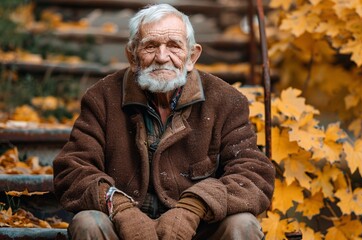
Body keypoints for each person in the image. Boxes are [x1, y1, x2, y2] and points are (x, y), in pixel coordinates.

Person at [53, 3, 275, 240]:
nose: (162, 57)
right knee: (88, 223)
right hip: (122, 227)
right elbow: (72, 169)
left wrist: (194, 207)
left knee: (242, 225)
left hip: (198, 228)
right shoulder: (102, 97)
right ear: (132, 56)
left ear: (191, 56)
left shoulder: (226, 101)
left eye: (173, 46)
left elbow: (254, 174)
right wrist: (120, 209)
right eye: (150, 46)